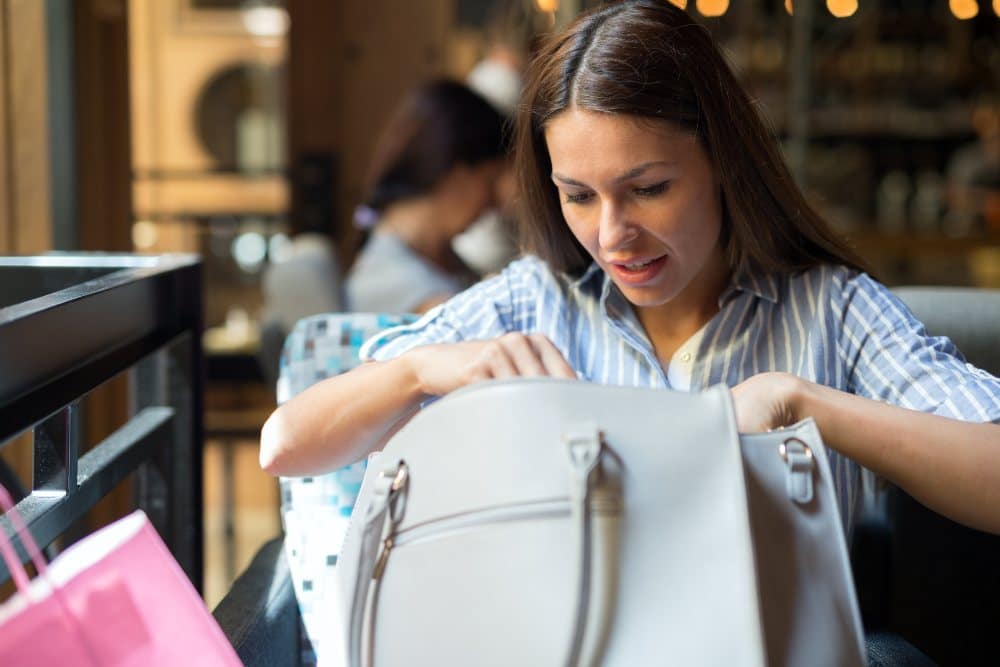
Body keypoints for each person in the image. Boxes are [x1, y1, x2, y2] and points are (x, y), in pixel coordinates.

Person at [262, 0, 1000, 540]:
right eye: (579, 196)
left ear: (722, 164)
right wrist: (420, 369)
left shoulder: (830, 311)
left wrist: (802, 404)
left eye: (649, 188)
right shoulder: (531, 304)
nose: (613, 234)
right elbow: (285, 444)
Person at [344, 80, 508, 314]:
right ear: (454, 174)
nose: (494, 203)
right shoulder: (399, 284)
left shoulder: (435, 260)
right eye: (489, 182)